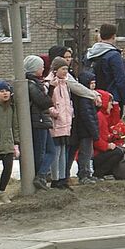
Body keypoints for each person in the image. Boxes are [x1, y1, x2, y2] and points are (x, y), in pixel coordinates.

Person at [85, 23, 125, 117]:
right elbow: (121, 81)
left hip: (95, 98)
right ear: (114, 36)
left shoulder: (90, 54)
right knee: (113, 128)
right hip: (112, 100)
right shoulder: (114, 55)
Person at [92, 91, 125, 181]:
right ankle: (99, 173)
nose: (112, 107)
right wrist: (107, 146)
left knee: (120, 150)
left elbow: (114, 120)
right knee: (118, 152)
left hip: (99, 151)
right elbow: (96, 138)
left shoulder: (103, 116)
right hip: (96, 153)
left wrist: (116, 105)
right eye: (110, 104)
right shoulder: (100, 117)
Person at [24, 55, 54, 190]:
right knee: (42, 151)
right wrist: (50, 90)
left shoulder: (35, 83)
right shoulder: (32, 84)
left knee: (50, 151)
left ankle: (41, 175)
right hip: (38, 121)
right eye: (41, 66)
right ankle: (39, 176)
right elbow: (44, 102)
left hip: (41, 120)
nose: (43, 68)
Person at [47, 57, 75, 189]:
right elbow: (47, 102)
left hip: (66, 122)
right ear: (55, 69)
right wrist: (55, 113)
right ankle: (55, 178)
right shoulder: (50, 84)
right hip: (56, 123)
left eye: (66, 69)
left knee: (64, 151)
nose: (65, 71)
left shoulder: (65, 84)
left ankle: (63, 178)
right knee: (56, 151)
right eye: (63, 69)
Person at [68, 67, 100, 184]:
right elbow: (88, 116)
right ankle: (84, 174)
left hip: (86, 130)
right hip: (85, 131)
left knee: (87, 153)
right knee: (85, 153)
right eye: (91, 83)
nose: (93, 86)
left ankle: (86, 173)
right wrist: (94, 131)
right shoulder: (84, 98)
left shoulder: (88, 97)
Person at [0, 80, 16, 201]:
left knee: (8, 167)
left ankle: (1, 191)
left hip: (8, 142)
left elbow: (16, 126)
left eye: (7, 91)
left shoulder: (12, 107)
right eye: (2, 91)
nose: (5, 93)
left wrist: (17, 143)